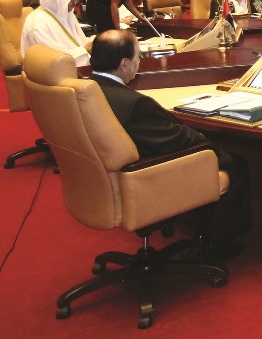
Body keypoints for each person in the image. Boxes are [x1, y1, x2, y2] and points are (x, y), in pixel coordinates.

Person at [88, 29, 252, 259]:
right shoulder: (134, 104)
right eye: (138, 57)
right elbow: (176, 141)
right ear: (124, 64)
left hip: (103, 177)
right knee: (236, 163)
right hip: (147, 174)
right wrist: (205, 138)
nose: (139, 63)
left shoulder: (85, 92)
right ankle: (216, 245)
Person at [20, 0, 93, 67]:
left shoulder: (66, 13)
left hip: (70, 65)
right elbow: (51, 57)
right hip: (48, 72)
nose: (76, 2)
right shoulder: (37, 22)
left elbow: (77, 41)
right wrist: (84, 51)